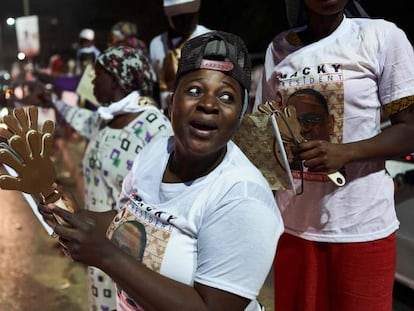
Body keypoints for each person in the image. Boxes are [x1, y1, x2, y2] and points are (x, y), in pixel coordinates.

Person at [41, 31, 283, 311]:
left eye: (227, 96)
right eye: (194, 90)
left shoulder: (243, 197)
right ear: (171, 103)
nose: (208, 104)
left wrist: (106, 256)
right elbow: (126, 220)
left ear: (240, 115)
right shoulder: (156, 151)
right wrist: (74, 216)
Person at [254, 0, 414, 310]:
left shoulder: (380, 37)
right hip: (292, 227)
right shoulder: (280, 49)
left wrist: (346, 152)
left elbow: (409, 131)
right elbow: (266, 133)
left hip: (361, 227)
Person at [50, 45, 173, 311]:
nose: (91, 81)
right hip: (97, 247)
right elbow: (79, 117)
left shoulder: (154, 125)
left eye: (97, 75)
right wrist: (51, 102)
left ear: (118, 79)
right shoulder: (106, 120)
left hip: (132, 255)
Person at [149, 0, 211, 113]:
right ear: (168, 17)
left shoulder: (211, 40)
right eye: (178, 17)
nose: (185, 21)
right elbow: (155, 86)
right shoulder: (156, 44)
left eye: (189, 16)